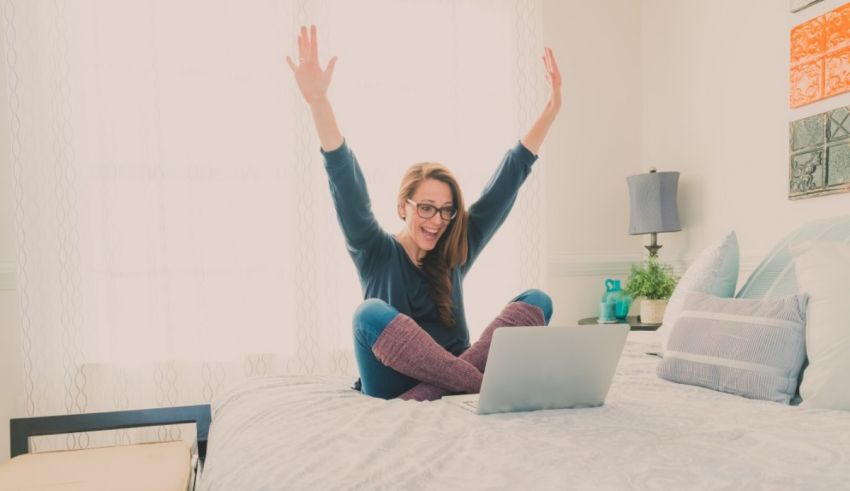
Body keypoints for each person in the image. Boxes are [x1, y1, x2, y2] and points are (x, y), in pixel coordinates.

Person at [287, 25, 562, 400]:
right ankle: (480, 386)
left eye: (446, 211)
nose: (437, 221)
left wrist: (550, 111)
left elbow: (504, 184)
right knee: (368, 313)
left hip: (452, 373)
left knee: (537, 300)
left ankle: (444, 386)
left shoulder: (455, 250)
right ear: (403, 206)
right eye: (427, 208)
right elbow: (345, 183)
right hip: (390, 381)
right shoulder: (374, 250)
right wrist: (318, 102)